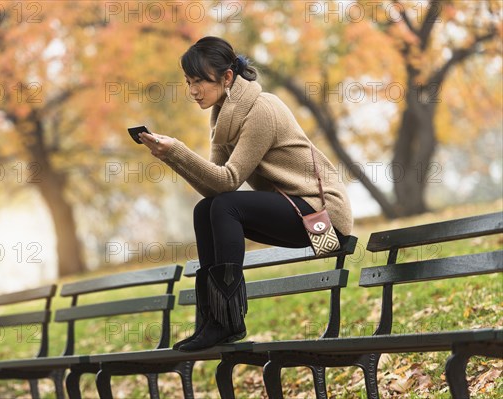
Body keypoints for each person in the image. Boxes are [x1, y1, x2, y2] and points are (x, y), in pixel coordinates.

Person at [138, 36, 353, 352]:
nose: (192, 91)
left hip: (323, 221)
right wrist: (170, 156)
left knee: (224, 206)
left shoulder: (262, 109)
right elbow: (213, 188)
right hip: (294, 213)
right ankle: (212, 320)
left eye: (199, 81)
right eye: (188, 82)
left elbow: (229, 182)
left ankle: (228, 320)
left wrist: (178, 150)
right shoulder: (224, 119)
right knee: (205, 209)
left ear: (227, 77)